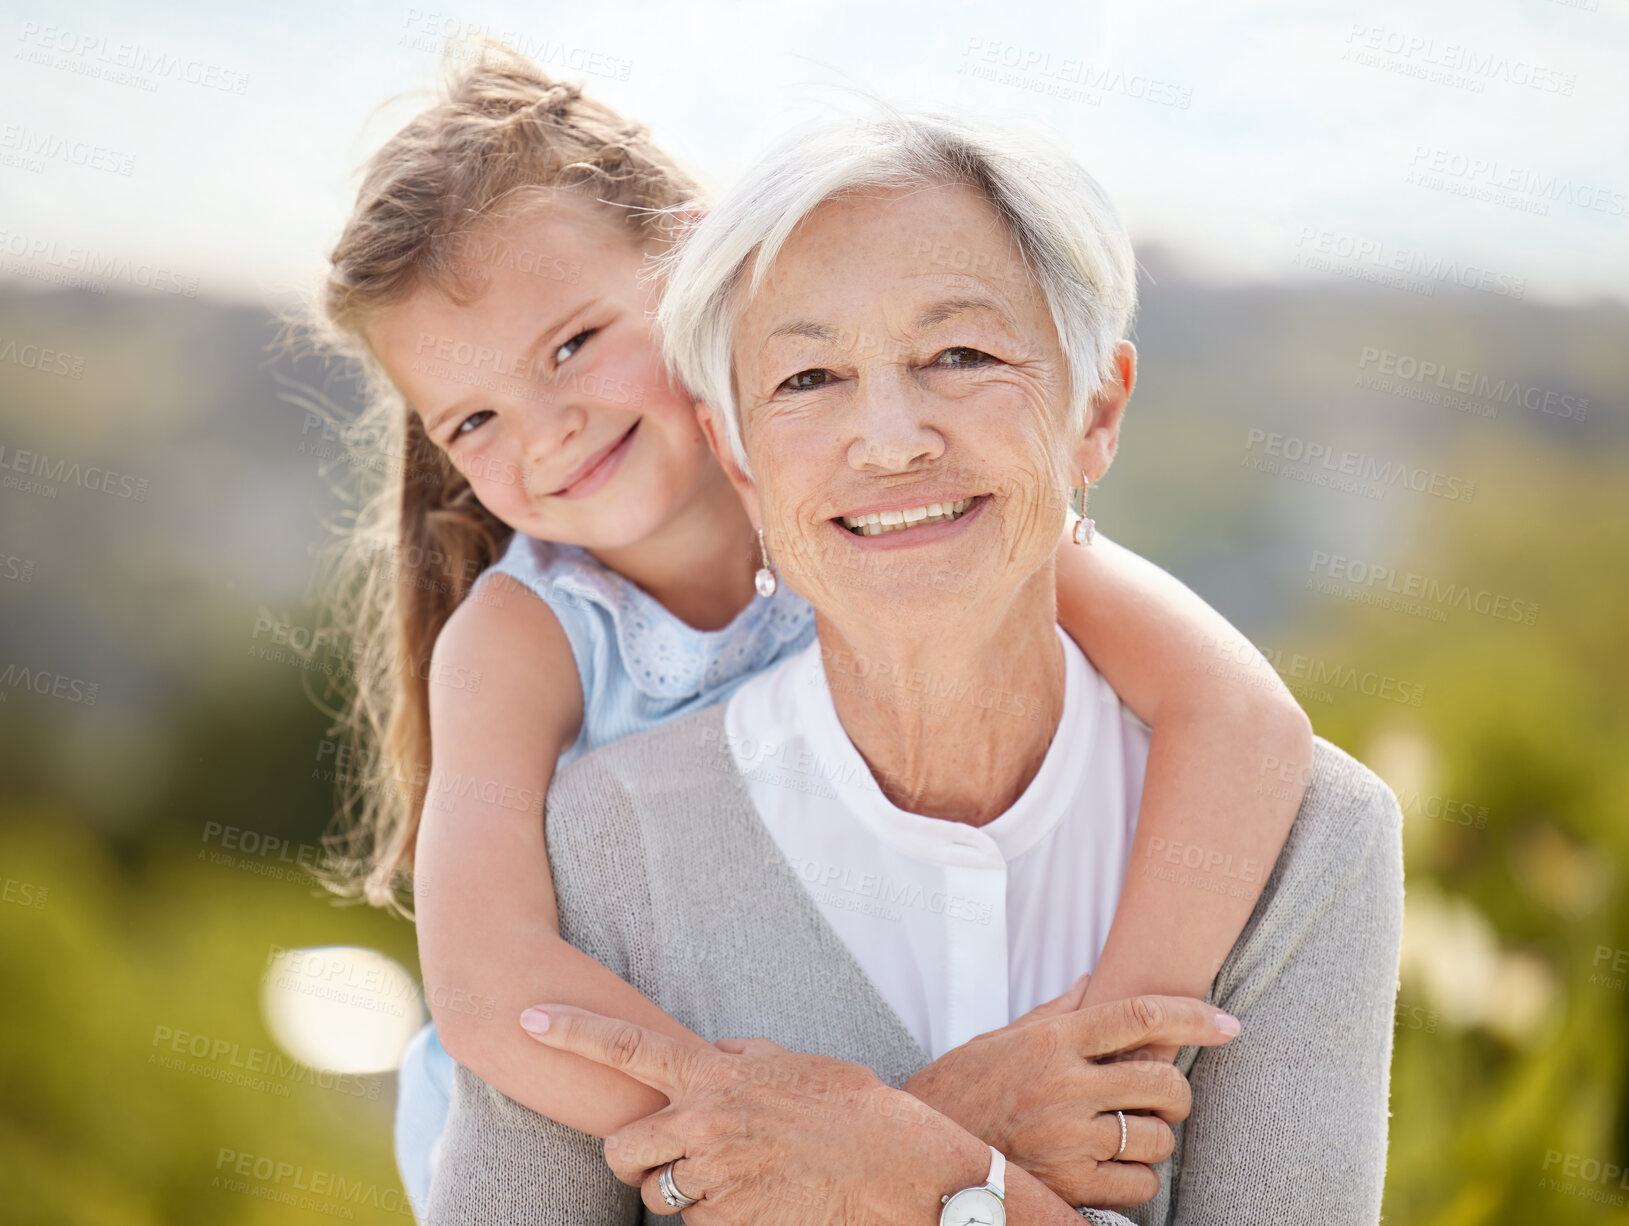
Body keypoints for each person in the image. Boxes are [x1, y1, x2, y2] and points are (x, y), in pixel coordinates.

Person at [316, 47, 1312, 1218]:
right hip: (600, 1141)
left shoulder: (888, 513)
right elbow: (490, 992)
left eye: (574, 344)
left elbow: (1240, 717)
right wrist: (831, 1139)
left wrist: (1105, 1055)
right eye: (474, 417)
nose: (546, 433)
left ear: (701, 263)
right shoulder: (523, 633)